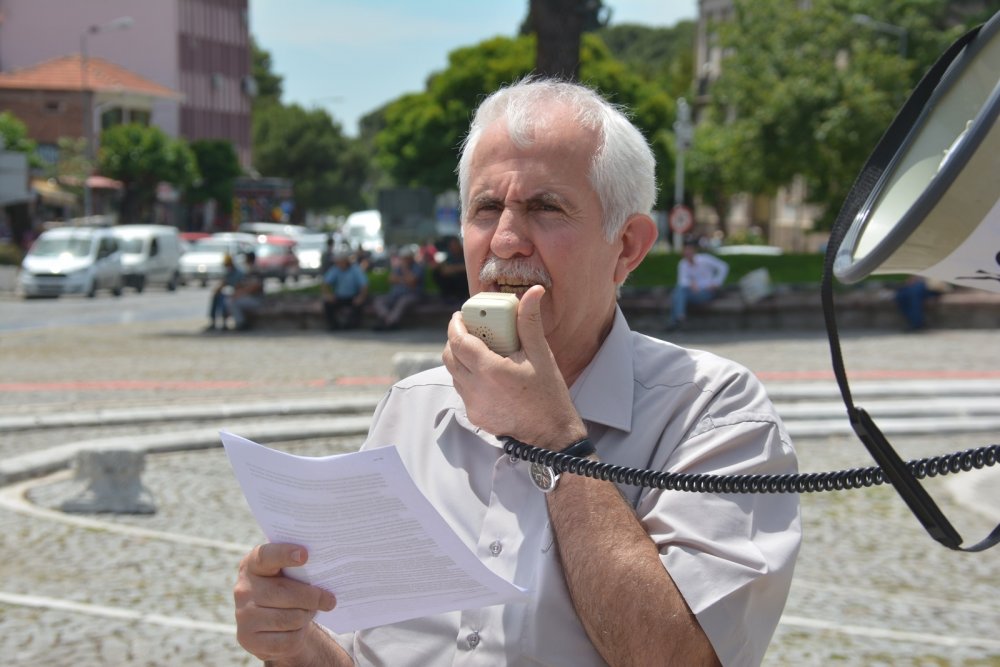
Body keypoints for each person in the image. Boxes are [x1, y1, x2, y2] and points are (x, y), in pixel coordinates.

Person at [233, 78, 800, 667]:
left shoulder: (714, 413)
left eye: (545, 207)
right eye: (485, 208)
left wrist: (554, 441)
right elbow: (366, 652)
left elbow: (682, 660)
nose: (504, 240)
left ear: (628, 246)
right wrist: (298, 645)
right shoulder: (412, 406)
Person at [667, 238, 730, 330]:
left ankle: (676, 320)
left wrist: (716, 282)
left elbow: (723, 266)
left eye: (689, 250)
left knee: (676, 294)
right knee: (679, 291)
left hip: (707, 292)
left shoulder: (705, 259)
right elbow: (682, 281)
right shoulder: (683, 264)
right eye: (685, 250)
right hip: (692, 293)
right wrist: (691, 284)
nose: (687, 252)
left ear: (694, 251)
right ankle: (679, 317)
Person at [370, 246, 425, 330]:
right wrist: (404, 279)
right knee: (379, 300)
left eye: (406, 258)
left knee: (402, 302)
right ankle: (388, 320)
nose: (404, 260)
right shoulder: (398, 267)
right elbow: (391, 279)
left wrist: (405, 270)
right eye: (403, 258)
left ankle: (389, 322)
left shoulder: (418, 267)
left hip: (411, 295)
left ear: (411, 257)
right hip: (395, 295)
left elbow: (412, 282)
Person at [321, 250, 369, 330]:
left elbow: (364, 285)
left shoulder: (355, 269)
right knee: (327, 304)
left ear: (346, 261)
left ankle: (353, 325)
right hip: (339, 296)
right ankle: (334, 325)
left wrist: (361, 297)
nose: (339, 264)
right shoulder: (335, 269)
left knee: (359, 304)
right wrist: (328, 295)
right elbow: (325, 284)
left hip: (353, 296)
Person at [204, 253, 243, 331]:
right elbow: (223, 283)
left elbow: (237, 286)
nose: (226, 266)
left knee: (224, 300)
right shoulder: (229, 272)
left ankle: (224, 323)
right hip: (231, 294)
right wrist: (216, 291)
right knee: (216, 297)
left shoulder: (238, 273)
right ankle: (213, 321)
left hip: (237, 294)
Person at [229, 250, 264, 331]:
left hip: (257, 299)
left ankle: (241, 323)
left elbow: (256, 286)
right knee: (229, 300)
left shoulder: (255, 270)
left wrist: (241, 293)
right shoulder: (248, 270)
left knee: (234, 302)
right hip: (249, 297)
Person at [431, 234, 470, 303]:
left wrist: (455, 268)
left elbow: (468, 268)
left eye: (455, 244)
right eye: (451, 245)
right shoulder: (449, 256)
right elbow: (445, 270)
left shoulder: (466, 253)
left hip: (465, 283)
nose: (454, 247)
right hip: (452, 285)